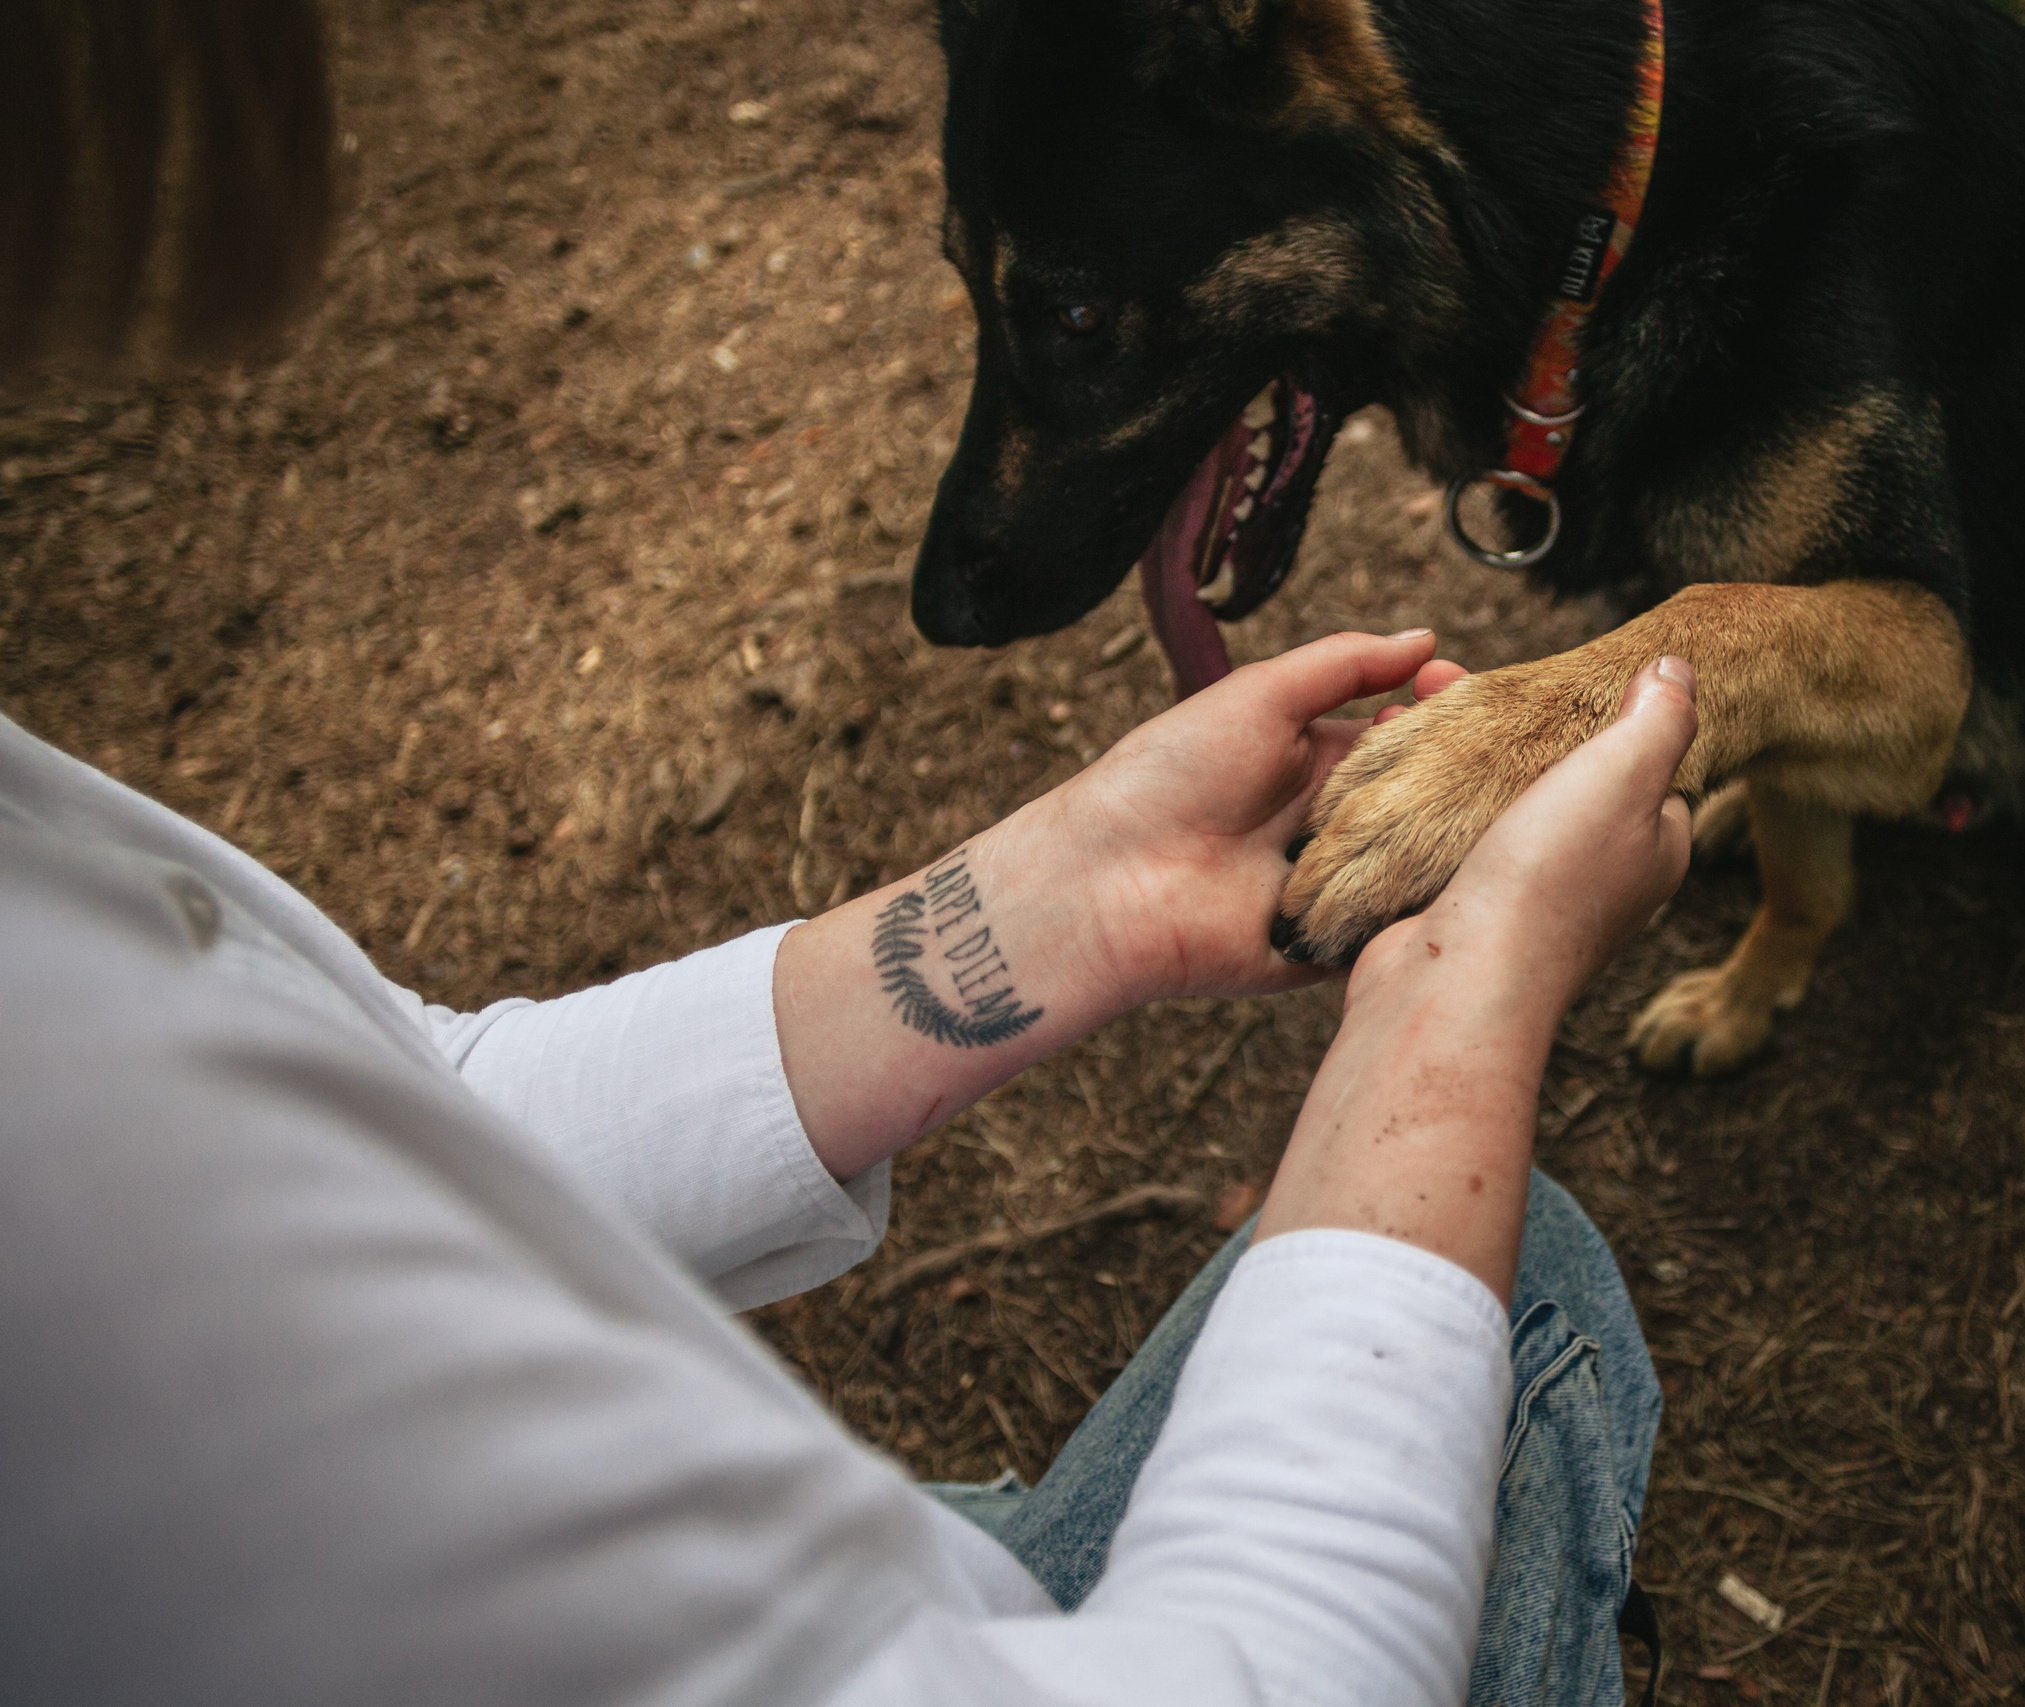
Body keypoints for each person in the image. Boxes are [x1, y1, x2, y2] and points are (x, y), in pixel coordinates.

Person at [2, 8, 1698, 1704]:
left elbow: (409, 1131)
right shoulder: (71, 1179)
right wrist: (1451, 1020)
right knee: (1521, 1312)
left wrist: (1078, 892)